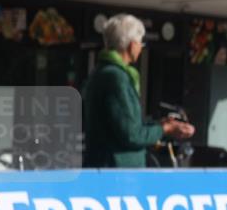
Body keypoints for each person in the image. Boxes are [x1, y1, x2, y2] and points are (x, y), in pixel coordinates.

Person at [83, 14, 194, 167]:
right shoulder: (115, 77)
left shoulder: (102, 72)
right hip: (117, 174)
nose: (141, 48)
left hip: (106, 170)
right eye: (141, 43)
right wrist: (165, 129)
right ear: (132, 45)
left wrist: (158, 125)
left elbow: (126, 126)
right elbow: (131, 135)